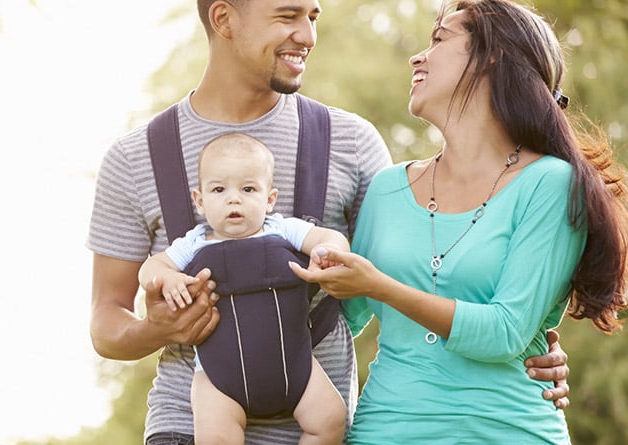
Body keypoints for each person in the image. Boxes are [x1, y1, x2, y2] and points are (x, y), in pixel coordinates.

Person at [86, 0, 574, 443]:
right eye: (287, 16)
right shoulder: (135, 158)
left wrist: (524, 340)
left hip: (321, 428)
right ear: (223, 18)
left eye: (313, 18)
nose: (307, 36)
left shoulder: (353, 143)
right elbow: (105, 323)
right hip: (189, 427)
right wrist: (162, 328)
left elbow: (381, 290)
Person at [289, 0, 628, 443]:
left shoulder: (551, 183)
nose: (417, 56)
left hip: (508, 432)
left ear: (493, 57)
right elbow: (337, 324)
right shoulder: (387, 188)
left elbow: (505, 332)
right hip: (385, 431)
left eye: (439, 39)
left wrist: (379, 285)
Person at [139, 132, 348, 444]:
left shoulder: (283, 228)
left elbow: (329, 238)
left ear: (269, 199)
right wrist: (167, 279)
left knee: (331, 418)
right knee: (216, 436)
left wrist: (326, 253)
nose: (233, 199)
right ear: (200, 200)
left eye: (248, 189)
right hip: (219, 379)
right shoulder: (194, 243)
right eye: (219, 189)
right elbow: (150, 267)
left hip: (296, 369)